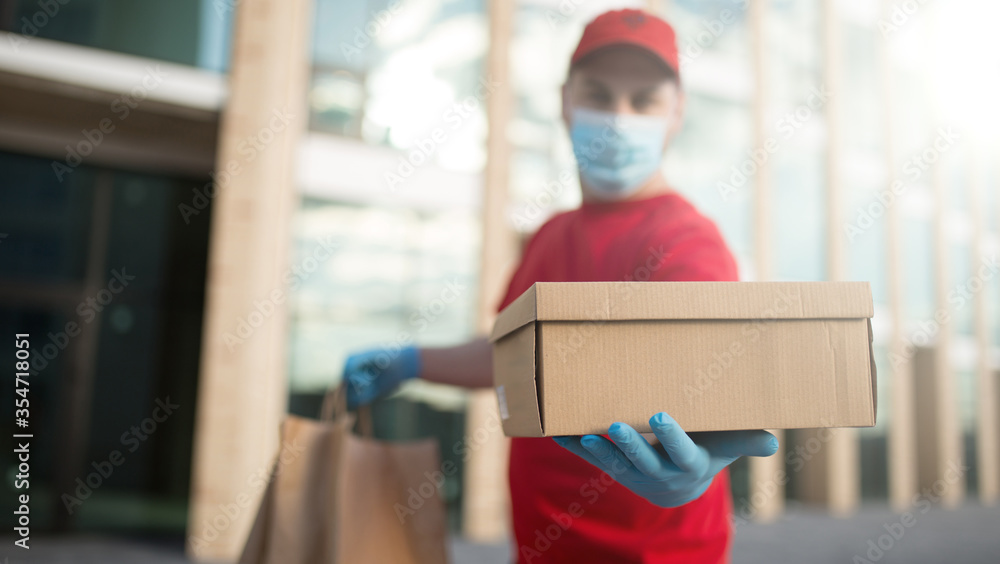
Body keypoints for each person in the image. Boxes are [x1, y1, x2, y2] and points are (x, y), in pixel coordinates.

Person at [342, 9, 778, 563]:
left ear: (676, 112)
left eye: (643, 101)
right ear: (565, 101)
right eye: (598, 95)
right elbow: (516, 357)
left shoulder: (687, 241)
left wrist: (702, 460)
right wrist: (409, 361)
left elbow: (703, 373)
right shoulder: (551, 236)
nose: (619, 118)